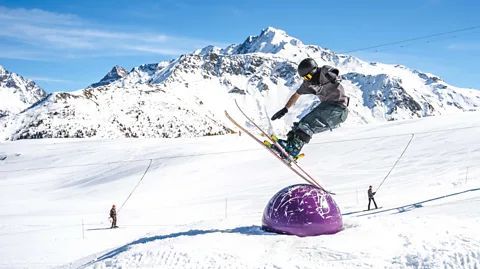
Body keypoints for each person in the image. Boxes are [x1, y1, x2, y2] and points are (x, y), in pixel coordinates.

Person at [270, 58, 349, 157]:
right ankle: (288, 146)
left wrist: (333, 77)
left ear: (314, 70)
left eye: (308, 76)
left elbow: (333, 71)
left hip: (338, 109)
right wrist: (285, 109)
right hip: (327, 108)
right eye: (305, 78)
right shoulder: (308, 84)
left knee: (306, 124)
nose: (308, 79)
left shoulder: (324, 71)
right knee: (298, 127)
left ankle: (293, 149)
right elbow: (296, 95)